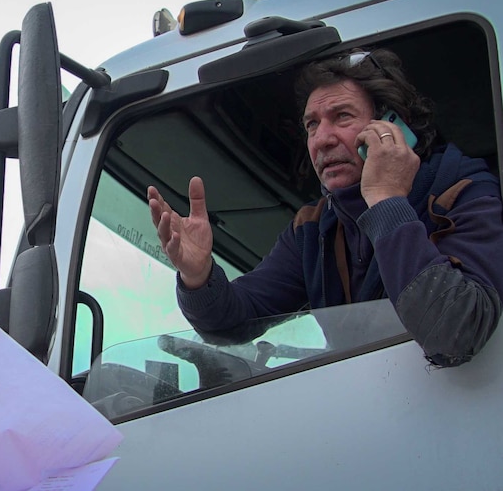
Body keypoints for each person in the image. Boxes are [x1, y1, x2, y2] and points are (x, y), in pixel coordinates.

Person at [148, 48, 503, 368]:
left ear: (393, 127)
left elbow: (456, 335)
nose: (322, 139)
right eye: (312, 124)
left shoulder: (462, 190)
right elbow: (233, 323)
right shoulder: (313, 228)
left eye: (342, 116)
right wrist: (198, 277)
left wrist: (384, 198)